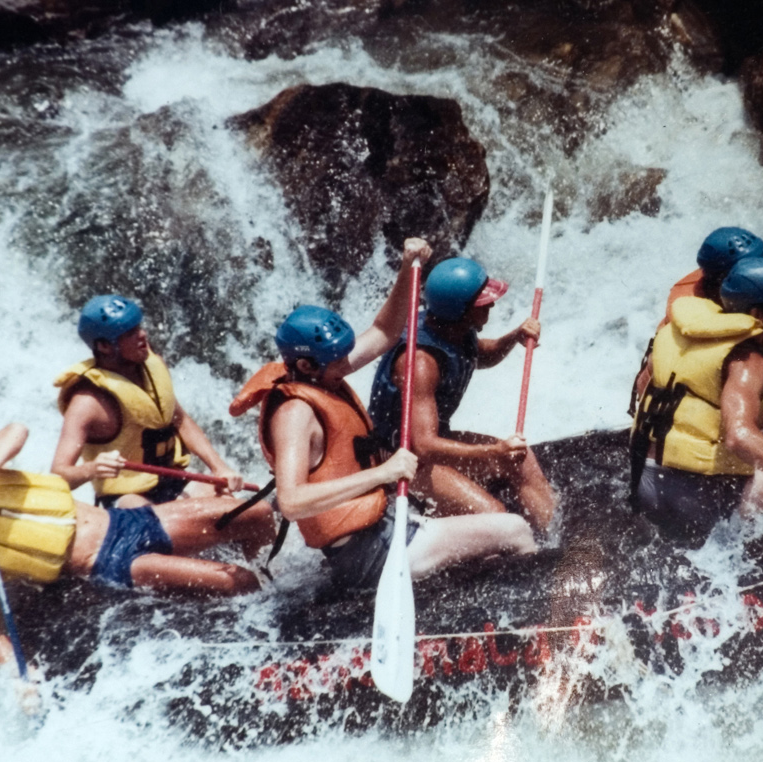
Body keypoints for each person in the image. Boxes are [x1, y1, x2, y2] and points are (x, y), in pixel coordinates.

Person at [230, 239, 536, 590]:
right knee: (514, 530)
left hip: (387, 525)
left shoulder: (322, 372)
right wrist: (383, 472)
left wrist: (408, 267)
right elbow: (291, 501)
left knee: (496, 532)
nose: (348, 363)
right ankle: (530, 616)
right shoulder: (295, 414)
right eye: (339, 359)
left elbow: (384, 332)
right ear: (305, 364)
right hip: (368, 554)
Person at [0, 423, 279, 665]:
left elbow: (17, 431)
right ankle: (267, 631)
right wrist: (19, 680)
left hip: (127, 520)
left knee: (257, 514)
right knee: (237, 582)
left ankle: (278, 582)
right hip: (110, 562)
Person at [630, 256, 763, 544]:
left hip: (645, 479)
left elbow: (706, 405)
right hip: (691, 498)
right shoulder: (750, 358)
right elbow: (738, 436)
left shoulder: (684, 328)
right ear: (758, 313)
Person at [367, 256, 556, 532]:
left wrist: (513, 337)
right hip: (400, 460)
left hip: (429, 445)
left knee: (521, 460)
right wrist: (494, 451)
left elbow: (479, 355)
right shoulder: (421, 363)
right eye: (483, 303)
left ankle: (555, 539)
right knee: (495, 518)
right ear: (461, 311)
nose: (491, 304)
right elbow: (424, 446)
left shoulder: (453, 327)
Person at [52, 295, 243, 508]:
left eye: (139, 327)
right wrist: (92, 468)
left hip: (173, 485)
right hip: (126, 499)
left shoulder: (154, 367)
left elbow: (181, 421)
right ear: (105, 346)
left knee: (241, 510)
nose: (142, 335)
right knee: (150, 518)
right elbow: (59, 475)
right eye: (130, 333)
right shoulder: (87, 402)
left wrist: (219, 468)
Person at [631, 226, 763, 412]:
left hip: (706, 398)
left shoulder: (718, 285)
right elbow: (739, 406)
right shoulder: (706, 330)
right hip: (674, 409)